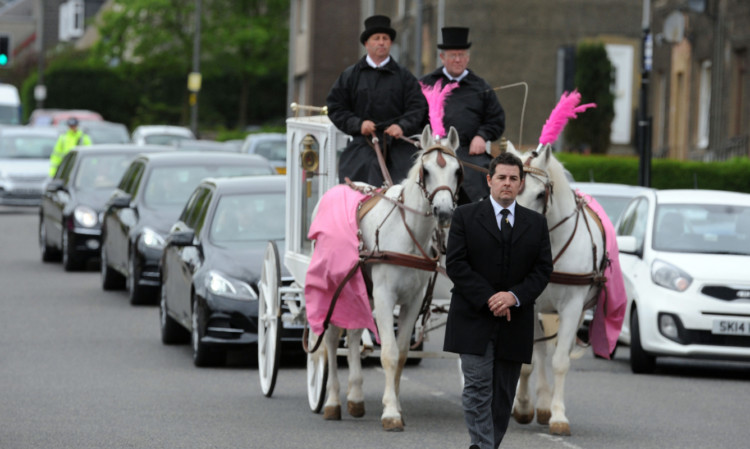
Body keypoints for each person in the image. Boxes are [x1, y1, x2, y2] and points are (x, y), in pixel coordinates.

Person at [444, 152, 553, 449]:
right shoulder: (465, 216)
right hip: (472, 318)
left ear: (521, 184)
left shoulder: (536, 223)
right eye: (501, 178)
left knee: (503, 396)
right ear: (490, 181)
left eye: (513, 179)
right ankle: (482, 446)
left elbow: (542, 270)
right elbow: (456, 264)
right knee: (478, 388)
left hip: (515, 322)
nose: (507, 184)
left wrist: (513, 297)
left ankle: (487, 445)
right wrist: (490, 297)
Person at [327, 14, 427, 186]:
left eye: (385, 38)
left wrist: (402, 126)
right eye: (376, 38)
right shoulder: (351, 76)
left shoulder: (404, 77)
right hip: (363, 144)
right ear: (367, 44)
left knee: (412, 184)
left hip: (398, 145)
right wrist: (358, 124)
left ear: (391, 43)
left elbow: (418, 108)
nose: (381, 42)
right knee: (355, 184)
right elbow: (336, 107)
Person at [420, 27, 505, 203]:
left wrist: (482, 136)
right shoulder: (426, 84)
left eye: (461, 55)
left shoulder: (481, 86)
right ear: (442, 57)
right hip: (433, 150)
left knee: (486, 173)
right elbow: (415, 117)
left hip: (469, 151)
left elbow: (496, 120)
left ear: (468, 57)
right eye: (452, 55)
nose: (457, 60)